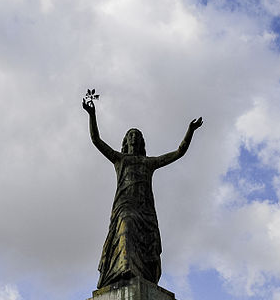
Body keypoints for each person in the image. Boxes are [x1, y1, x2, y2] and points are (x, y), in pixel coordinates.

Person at [82, 98, 202, 289]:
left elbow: (179, 152)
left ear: (141, 142)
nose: (134, 137)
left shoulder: (149, 162)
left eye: (137, 135)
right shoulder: (120, 159)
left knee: (150, 243)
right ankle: (123, 271)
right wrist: (92, 115)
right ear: (126, 141)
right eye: (131, 135)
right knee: (126, 226)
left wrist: (190, 131)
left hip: (146, 211)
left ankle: (144, 276)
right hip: (125, 206)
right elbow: (97, 140)